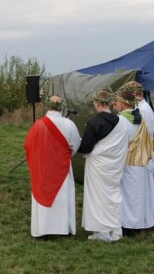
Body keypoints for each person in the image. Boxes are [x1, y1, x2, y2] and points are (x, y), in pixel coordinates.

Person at [24, 95, 81, 239]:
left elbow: (28, 145)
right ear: (61, 107)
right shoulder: (69, 124)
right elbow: (75, 145)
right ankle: (63, 230)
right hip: (61, 167)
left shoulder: (38, 124)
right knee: (63, 198)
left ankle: (42, 230)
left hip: (42, 168)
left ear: (47, 106)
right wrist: (64, 157)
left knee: (43, 199)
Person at [77, 90, 129, 242]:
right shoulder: (121, 122)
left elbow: (86, 147)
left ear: (97, 103)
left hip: (98, 166)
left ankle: (102, 233)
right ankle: (116, 230)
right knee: (114, 196)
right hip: (115, 165)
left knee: (98, 197)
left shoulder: (94, 123)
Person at [113, 88, 154, 237]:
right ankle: (140, 223)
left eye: (117, 102)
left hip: (128, 162)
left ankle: (129, 226)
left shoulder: (121, 120)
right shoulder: (140, 119)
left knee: (128, 196)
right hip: (142, 161)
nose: (116, 105)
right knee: (139, 195)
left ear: (122, 103)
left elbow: (118, 143)